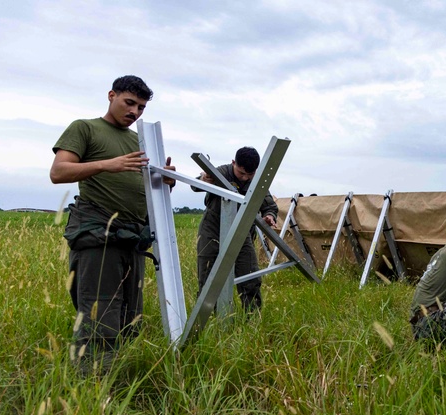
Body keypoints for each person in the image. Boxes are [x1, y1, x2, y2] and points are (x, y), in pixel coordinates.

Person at [50, 75, 176, 370]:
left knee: (130, 315)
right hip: (99, 234)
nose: (135, 112)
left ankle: (123, 379)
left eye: (141, 108)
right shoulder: (86, 128)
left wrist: (166, 180)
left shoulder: (139, 140)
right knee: (99, 312)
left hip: (134, 237)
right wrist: (108, 164)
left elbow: (146, 188)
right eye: (129, 102)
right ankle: (91, 385)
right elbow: (58, 172)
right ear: (111, 95)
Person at [193, 147, 278, 312]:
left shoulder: (258, 182)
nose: (245, 178)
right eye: (241, 173)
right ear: (234, 163)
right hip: (212, 229)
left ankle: (253, 317)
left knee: (250, 275)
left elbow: (270, 206)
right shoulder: (221, 172)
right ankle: (208, 318)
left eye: (250, 174)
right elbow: (196, 186)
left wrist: (269, 216)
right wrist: (203, 179)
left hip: (241, 232)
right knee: (207, 276)